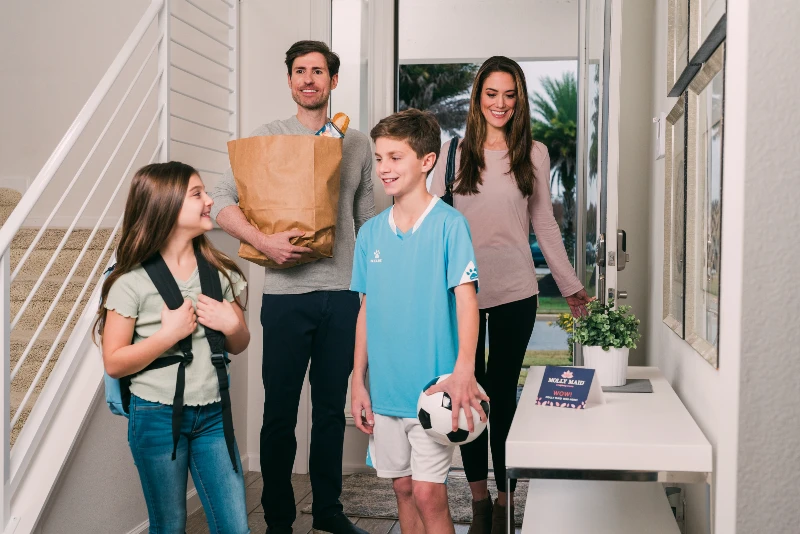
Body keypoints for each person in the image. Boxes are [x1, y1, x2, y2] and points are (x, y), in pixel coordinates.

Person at [210, 40, 376, 534]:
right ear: (289, 81)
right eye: (300, 71)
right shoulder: (268, 138)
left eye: (318, 72)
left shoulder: (358, 143)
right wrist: (264, 241)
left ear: (333, 81)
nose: (309, 79)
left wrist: (375, 289)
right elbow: (220, 199)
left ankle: (328, 511)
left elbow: (367, 222)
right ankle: (278, 518)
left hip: (343, 293)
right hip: (284, 296)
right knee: (279, 410)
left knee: (329, 411)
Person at [430, 56, 593, 534]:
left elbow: (544, 223)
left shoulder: (534, 153)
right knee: (470, 394)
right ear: (478, 97)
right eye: (491, 94)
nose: (500, 104)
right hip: (461, 293)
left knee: (501, 394)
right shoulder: (452, 152)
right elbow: (431, 222)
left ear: (518, 99)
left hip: (516, 290)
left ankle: (505, 499)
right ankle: (478, 501)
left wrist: (572, 287)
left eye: (509, 95)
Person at [350, 109, 489, 534]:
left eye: (396, 157)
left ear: (427, 161)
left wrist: (464, 370)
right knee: (404, 490)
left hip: (435, 392)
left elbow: (468, 303)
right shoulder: (370, 234)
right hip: (387, 391)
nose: (384, 168)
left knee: (430, 494)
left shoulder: (450, 226)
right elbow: (366, 311)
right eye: (379, 158)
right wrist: (359, 379)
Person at [97, 162, 251, 534]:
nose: (210, 200)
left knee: (235, 528)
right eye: (197, 194)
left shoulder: (220, 271)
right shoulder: (130, 282)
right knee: (169, 526)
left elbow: (240, 343)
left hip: (215, 415)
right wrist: (167, 336)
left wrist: (233, 326)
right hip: (156, 417)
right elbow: (114, 362)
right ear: (164, 206)